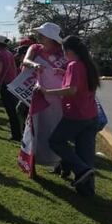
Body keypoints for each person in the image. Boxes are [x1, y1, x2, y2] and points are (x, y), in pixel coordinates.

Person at [39, 36, 101, 196]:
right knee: (85, 152)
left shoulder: (74, 65)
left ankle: (81, 169)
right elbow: (80, 83)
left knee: (56, 141)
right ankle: (87, 190)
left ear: (69, 51)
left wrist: (47, 92)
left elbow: (71, 90)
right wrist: (64, 72)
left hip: (76, 114)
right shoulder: (87, 64)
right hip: (91, 115)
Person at [20, 22, 68, 165]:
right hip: (35, 91)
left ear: (51, 38)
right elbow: (26, 60)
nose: (39, 36)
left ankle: (59, 161)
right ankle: (31, 153)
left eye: (43, 34)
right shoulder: (35, 48)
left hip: (55, 95)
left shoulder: (62, 53)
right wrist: (35, 65)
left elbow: (69, 73)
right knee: (27, 117)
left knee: (54, 125)